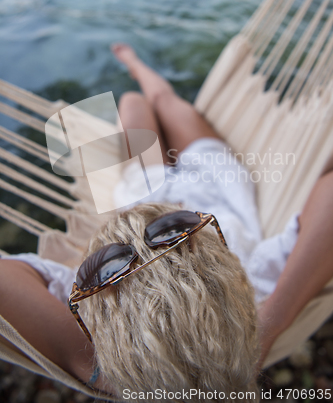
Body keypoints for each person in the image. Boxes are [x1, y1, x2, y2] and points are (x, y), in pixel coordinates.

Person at [0, 44, 333, 401]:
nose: (148, 225)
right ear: (230, 271)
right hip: (216, 180)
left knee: (132, 103)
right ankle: (136, 63)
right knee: (164, 99)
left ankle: (133, 65)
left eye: (112, 259)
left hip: (144, 184)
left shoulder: (103, 307)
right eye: (178, 229)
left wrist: (98, 370)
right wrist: (268, 327)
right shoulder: (256, 286)